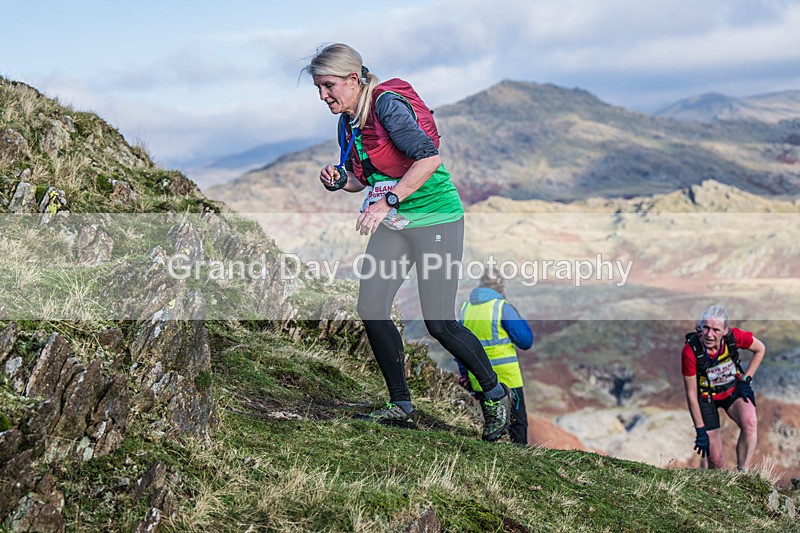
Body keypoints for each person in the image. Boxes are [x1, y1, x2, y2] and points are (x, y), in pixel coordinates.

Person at [304, 43, 515, 441]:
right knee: (371, 306)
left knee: (440, 322)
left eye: (329, 85)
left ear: (353, 79)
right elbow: (362, 179)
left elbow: (428, 159)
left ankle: (495, 393)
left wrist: (388, 200)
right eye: (318, 88)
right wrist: (341, 181)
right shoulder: (347, 122)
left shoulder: (387, 106)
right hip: (395, 219)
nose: (323, 96)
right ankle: (400, 405)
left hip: (435, 217)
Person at [681, 305, 766, 470]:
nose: (709, 334)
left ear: (725, 330)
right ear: (700, 327)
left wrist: (746, 379)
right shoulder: (690, 351)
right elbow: (691, 394)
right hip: (706, 399)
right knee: (716, 460)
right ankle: (718, 490)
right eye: (705, 328)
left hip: (733, 391)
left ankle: (743, 474)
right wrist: (700, 430)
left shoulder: (734, 337)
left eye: (715, 330)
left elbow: (760, 349)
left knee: (750, 423)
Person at [457, 270, 533, 444]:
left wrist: (465, 375)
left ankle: (494, 463)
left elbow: (459, 345)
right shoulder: (501, 307)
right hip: (507, 379)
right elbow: (526, 341)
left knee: (492, 425)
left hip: (478, 380)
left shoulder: (466, 309)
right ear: (501, 286)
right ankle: (520, 464)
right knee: (517, 425)